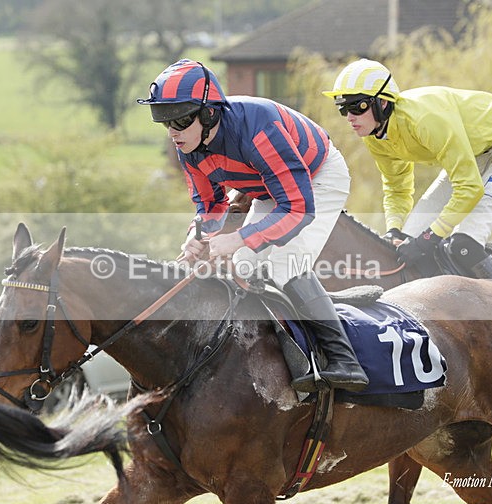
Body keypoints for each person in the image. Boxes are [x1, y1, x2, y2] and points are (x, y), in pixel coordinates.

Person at [137, 58, 368, 393]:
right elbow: (211, 206)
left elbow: (298, 208)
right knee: (243, 269)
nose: (172, 130)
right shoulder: (188, 146)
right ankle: (281, 352)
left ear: (210, 113)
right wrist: (197, 236)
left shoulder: (260, 130)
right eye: (164, 120)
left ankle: (344, 359)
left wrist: (239, 237)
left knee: (285, 265)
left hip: (318, 180)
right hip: (269, 188)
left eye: (180, 118)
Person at [324, 58, 492, 279]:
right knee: (405, 244)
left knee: (464, 244)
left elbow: (470, 188)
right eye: (343, 109)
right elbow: (397, 189)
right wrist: (394, 229)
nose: (350, 117)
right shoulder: (374, 136)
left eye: (357, 107)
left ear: (383, 103)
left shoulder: (424, 120)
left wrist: (430, 237)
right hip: (469, 154)